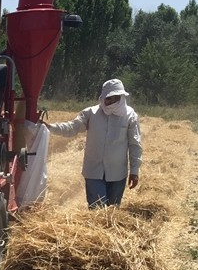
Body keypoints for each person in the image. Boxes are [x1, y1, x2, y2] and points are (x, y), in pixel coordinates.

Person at [43, 78, 142, 208]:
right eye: (108, 98)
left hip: (118, 173)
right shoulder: (91, 113)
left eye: (114, 98)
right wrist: (50, 127)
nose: (110, 101)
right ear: (103, 97)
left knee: (113, 211)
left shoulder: (130, 116)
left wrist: (134, 170)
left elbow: (135, 144)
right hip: (94, 171)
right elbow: (73, 127)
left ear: (121, 97)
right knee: (97, 209)